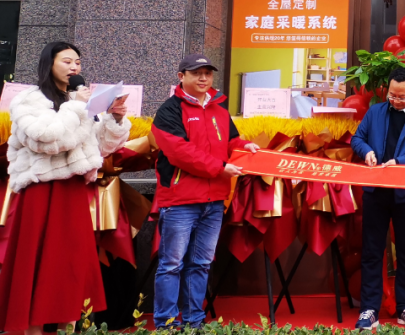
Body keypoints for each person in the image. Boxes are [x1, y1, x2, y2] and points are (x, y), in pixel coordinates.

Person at [0, 42, 132, 334]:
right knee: (36, 264)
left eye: (78, 62)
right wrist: (78, 106)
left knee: (70, 264)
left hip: (72, 192)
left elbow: (99, 147)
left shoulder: (79, 102)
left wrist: (115, 118)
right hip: (40, 191)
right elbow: (46, 137)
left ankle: (67, 327)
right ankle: (32, 330)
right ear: (49, 64)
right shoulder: (28, 100)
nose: (74, 67)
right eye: (67, 61)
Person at [152, 53, 260, 329]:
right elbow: (179, 152)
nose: (203, 78)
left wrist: (244, 146)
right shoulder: (169, 110)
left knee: (200, 263)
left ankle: (194, 321)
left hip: (213, 201)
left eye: (208, 73)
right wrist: (220, 168)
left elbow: (231, 140)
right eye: (196, 73)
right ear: (181, 77)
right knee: (171, 265)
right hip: (180, 200)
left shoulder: (219, 107)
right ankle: (166, 324)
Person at [351, 68, 405, 330]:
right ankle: (369, 309)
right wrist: (366, 151)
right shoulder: (375, 112)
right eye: (392, 95)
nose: (396, 100)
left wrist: (401, 161)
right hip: (376, 192)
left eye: (401, 97)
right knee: (372, 251)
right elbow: (357, 139)